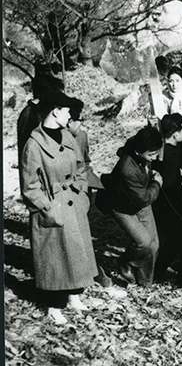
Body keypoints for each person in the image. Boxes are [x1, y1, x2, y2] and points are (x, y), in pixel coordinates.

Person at [21, 90, 98, 324]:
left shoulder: (66, 135)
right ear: (55, 111)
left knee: (76, 252)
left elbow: (81, 166)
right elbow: (29, 187)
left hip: (74, 202)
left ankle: (74, 297)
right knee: (56, 258)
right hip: (52, 206)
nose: (70, 115)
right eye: (67, 111)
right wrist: (48, 207)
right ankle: (54, 307)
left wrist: (83, 192)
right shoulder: (33, 145)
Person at [105, 126, 164, 287]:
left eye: (156, 152)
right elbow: (144, 198)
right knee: (143, 242)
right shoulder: (127, 170)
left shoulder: (137, 144)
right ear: (138, 152)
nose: (156, 157)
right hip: (124, 208)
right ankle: (125, 262)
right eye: (151, 155)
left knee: (153, 246)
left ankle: (145, 283)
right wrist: (157, 183)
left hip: (139, 200)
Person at [152, 113, 182, 286]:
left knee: (173, 242)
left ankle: (158, 271)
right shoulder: (171, 156)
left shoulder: (160, 149)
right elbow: (171, 185)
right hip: (175, 205)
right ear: (175, 134)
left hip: (162, 204)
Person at [67, 100, 113, 288]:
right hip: (64, 192)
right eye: (79, 121)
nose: (82, 126)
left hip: (81, 188)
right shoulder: (55, 138)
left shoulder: (82, 136)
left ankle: (90, 269)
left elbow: (86, 161)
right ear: (69, 121)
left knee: (84, 229)